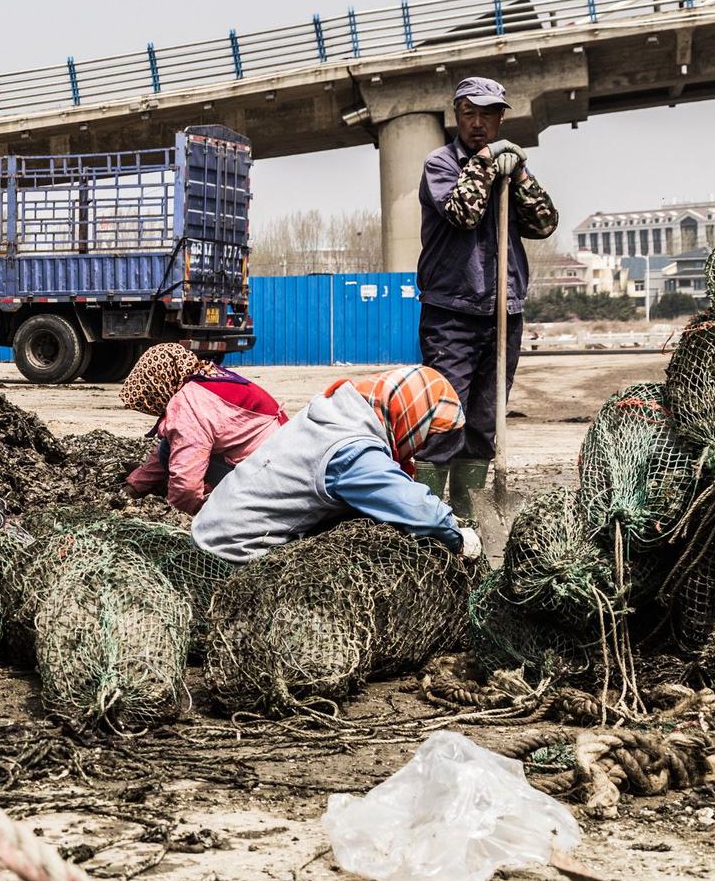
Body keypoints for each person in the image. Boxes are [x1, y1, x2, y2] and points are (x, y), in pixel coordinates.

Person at [415, 77, 559, 516]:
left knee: (484, 421)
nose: (477, 123)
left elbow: (544, 224)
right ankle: (425, 514)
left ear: (501, 118)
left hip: (503, 311)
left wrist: (519, 174)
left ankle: (469, 511)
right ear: (457, 116)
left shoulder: (510, 170)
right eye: (468, 114)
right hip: (452, 311)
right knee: (444, 416)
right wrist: (482, 163)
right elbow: (464, 213)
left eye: (487, 115)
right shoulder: (440, 165)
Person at [192, 365, 481, 563]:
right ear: (414, 415)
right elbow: (417, 510)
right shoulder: (351, 449)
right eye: (425, 433)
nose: (421, 444)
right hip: (235, 550)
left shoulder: (341, 411)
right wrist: (455, 536)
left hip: (214, 526)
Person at [119, 343, 286, 515]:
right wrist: (136, 484)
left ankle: (220, 506)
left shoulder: (188, 403)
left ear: (158, 385)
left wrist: (176, 515)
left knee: (168, 452)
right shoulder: (207, 375)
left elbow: (186, 483)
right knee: (168, 447)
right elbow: (177, 443)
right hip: (281, 466)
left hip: (267, 480)